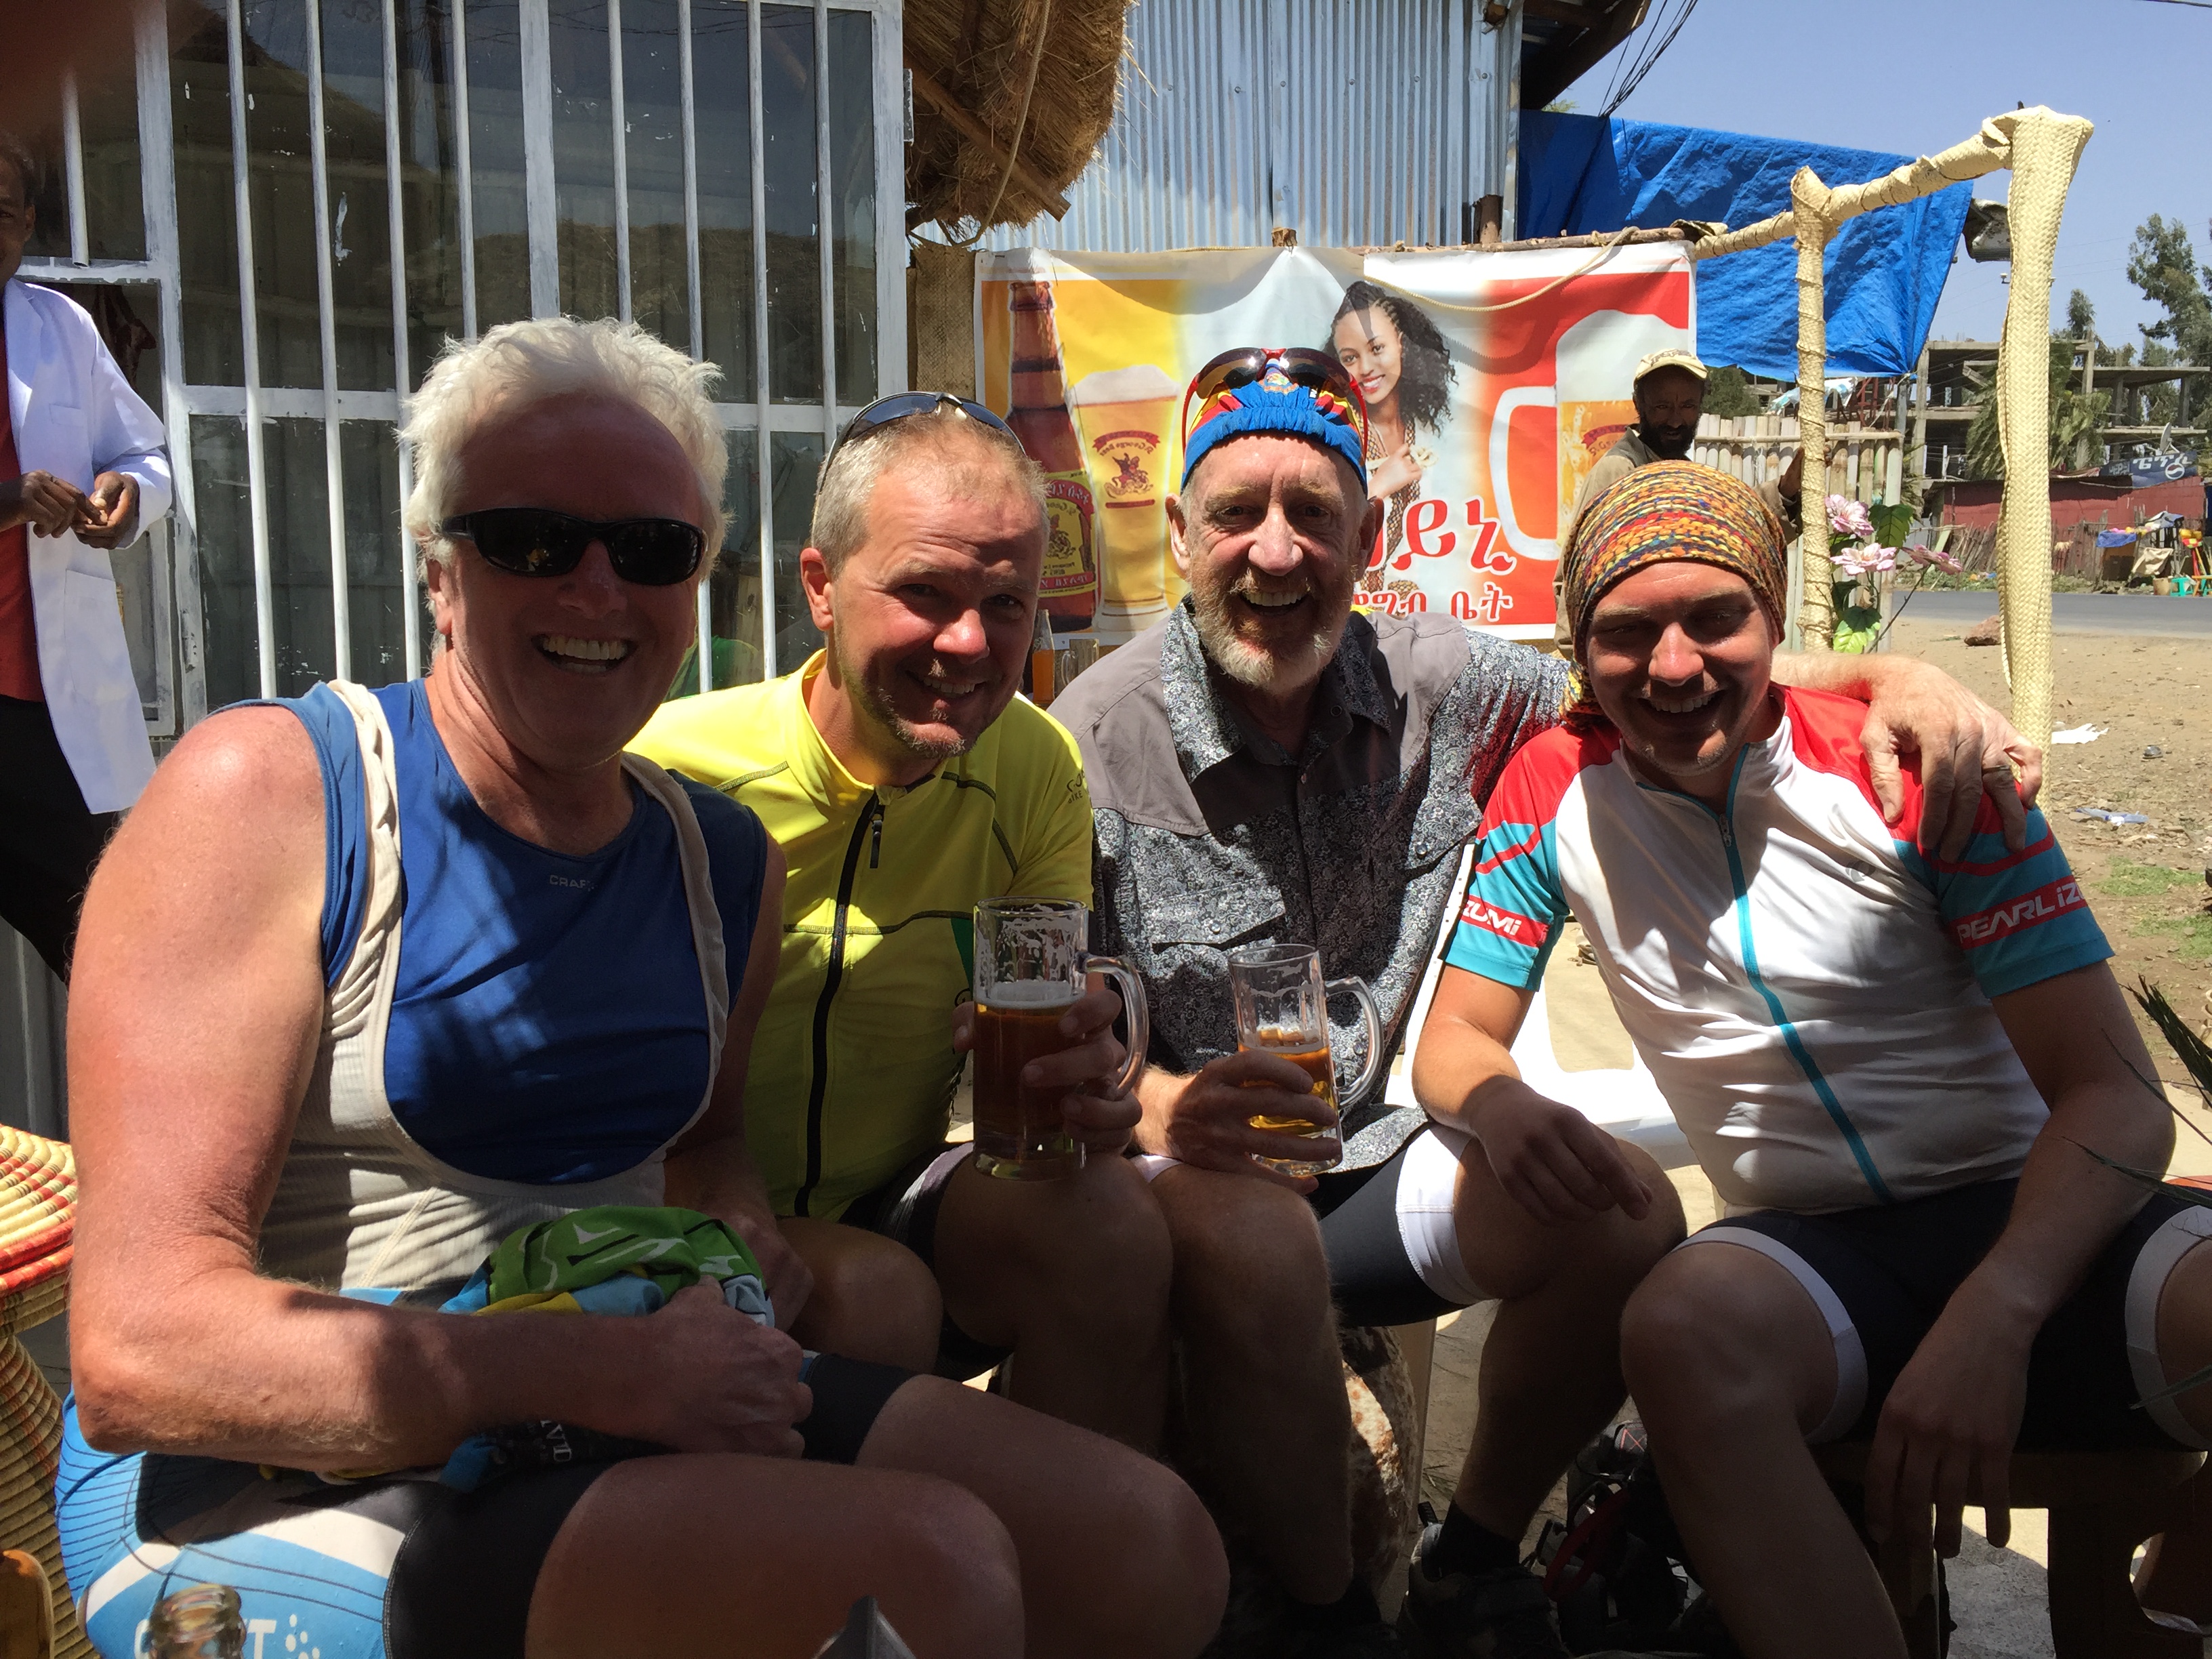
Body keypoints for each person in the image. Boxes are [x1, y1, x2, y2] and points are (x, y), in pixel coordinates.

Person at [59, 323, 1226, 1659]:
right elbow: (140, 1353)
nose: (598, 586)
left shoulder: (716, 858)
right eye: (532, 539)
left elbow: (705, 1142)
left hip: (612, 1377)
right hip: (262, 1477)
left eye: (652, 548)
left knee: (1149, 1546)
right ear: (440, 572)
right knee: (930, 1572)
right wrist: (604, 1370)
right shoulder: (270, 795)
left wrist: (737, 1234)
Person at [1046, 350, 2046, 1659]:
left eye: (1312, 514)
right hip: (1186, 1171)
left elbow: (1659, 659)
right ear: (1179, 532)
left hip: (1363, 1156)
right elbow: (1052, 1035)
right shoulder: (1088, 741)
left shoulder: (1446, 681)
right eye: (1236, 512)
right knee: (1248, 1235)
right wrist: (1170, 1105)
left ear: (1370, 535)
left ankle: (1468, 1558)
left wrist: (1888, 677)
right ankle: (1333, 1619)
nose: (1274, 551)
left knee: (1621, 1210)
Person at [1415, 459, 2212, 1659]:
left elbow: (2115, 1099)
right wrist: (1497, 1104)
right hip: (1816, 1258)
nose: (1672, 665)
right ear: (1579, 646)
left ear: (1773, 618)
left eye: (1715, 617)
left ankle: (2172, 1602)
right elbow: (1454, 1037)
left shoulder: (1916, 768)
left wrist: (1995, 1312)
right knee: (1678, 1329)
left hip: (2049, 1219)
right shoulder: (1552, 783)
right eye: (1625, 631)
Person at [630, 394, 1174, 1456]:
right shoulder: (670, 770)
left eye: (1007, 603)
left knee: (1108, 1220)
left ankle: (1079, 1543)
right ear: (821, 588)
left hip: (896, 1195)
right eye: (924, 591)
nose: (968, 643)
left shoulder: (1035, 764)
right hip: (683, 1209)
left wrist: (1084, 1080)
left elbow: (1049, 1012)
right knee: (874, 1300)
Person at [0, 129, 170, 979]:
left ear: (28, 223)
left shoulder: (60, 327)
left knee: (114, 960)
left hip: (40, 716)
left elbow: (145, 453)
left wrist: (128, 493)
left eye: (1, 212)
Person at [1563, 348, 1803, 546]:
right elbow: (1581, 571)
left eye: (1688, 406)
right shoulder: (1619, 470)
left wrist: (1785, 491)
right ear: (1639, 405)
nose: (1676, 421)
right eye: (1662, 407)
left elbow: (1729, 526)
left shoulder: (1681, 470)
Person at [1327, 281, 1456, 581]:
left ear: (1401, 343)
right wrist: (1379, 487)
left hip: (1416, 596)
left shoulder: (1427, 429)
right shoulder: (1338, 431)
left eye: (1377, 349)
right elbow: (1322, 529)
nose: (1366, 368)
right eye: (1350, 358)